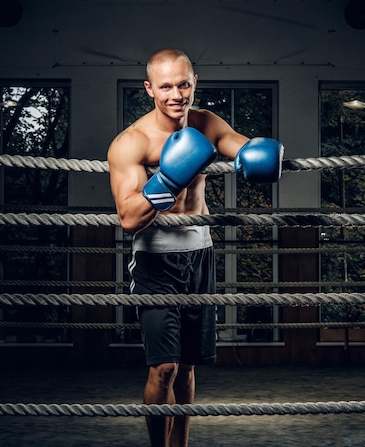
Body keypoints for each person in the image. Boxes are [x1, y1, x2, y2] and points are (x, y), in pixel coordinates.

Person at [107, 48, 283, 447]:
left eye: (183, 84)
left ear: (194, 83)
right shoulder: (130, 143)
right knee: (163, 368)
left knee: (186, 368)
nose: (176, 94)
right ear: (150, 89)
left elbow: (247, 151)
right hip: (155, 259)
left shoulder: (206, 123)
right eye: (165, 86)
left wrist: (261, 156)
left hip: (200, 253)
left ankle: (179, 443)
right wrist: (168, 179)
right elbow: (129, 217)